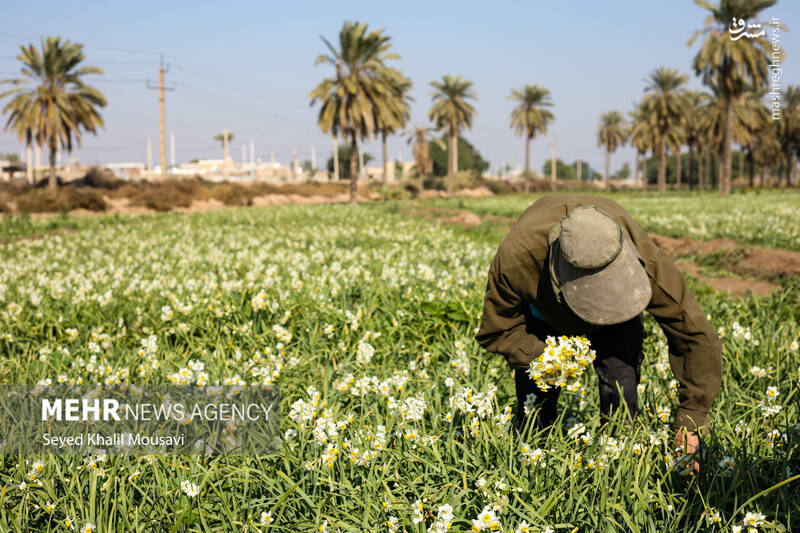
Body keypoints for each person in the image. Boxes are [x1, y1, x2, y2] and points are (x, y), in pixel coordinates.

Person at [475, 194, 722, 457]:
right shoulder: (516, 260)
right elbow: (499, 329)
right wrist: (544, 355)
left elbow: (694, 332)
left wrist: (691, 420)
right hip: (544, 319)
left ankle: (620, 461)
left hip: (620, 313)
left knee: (621, 398)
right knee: (534, 418)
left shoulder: (644, 258)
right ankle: (533, 460)